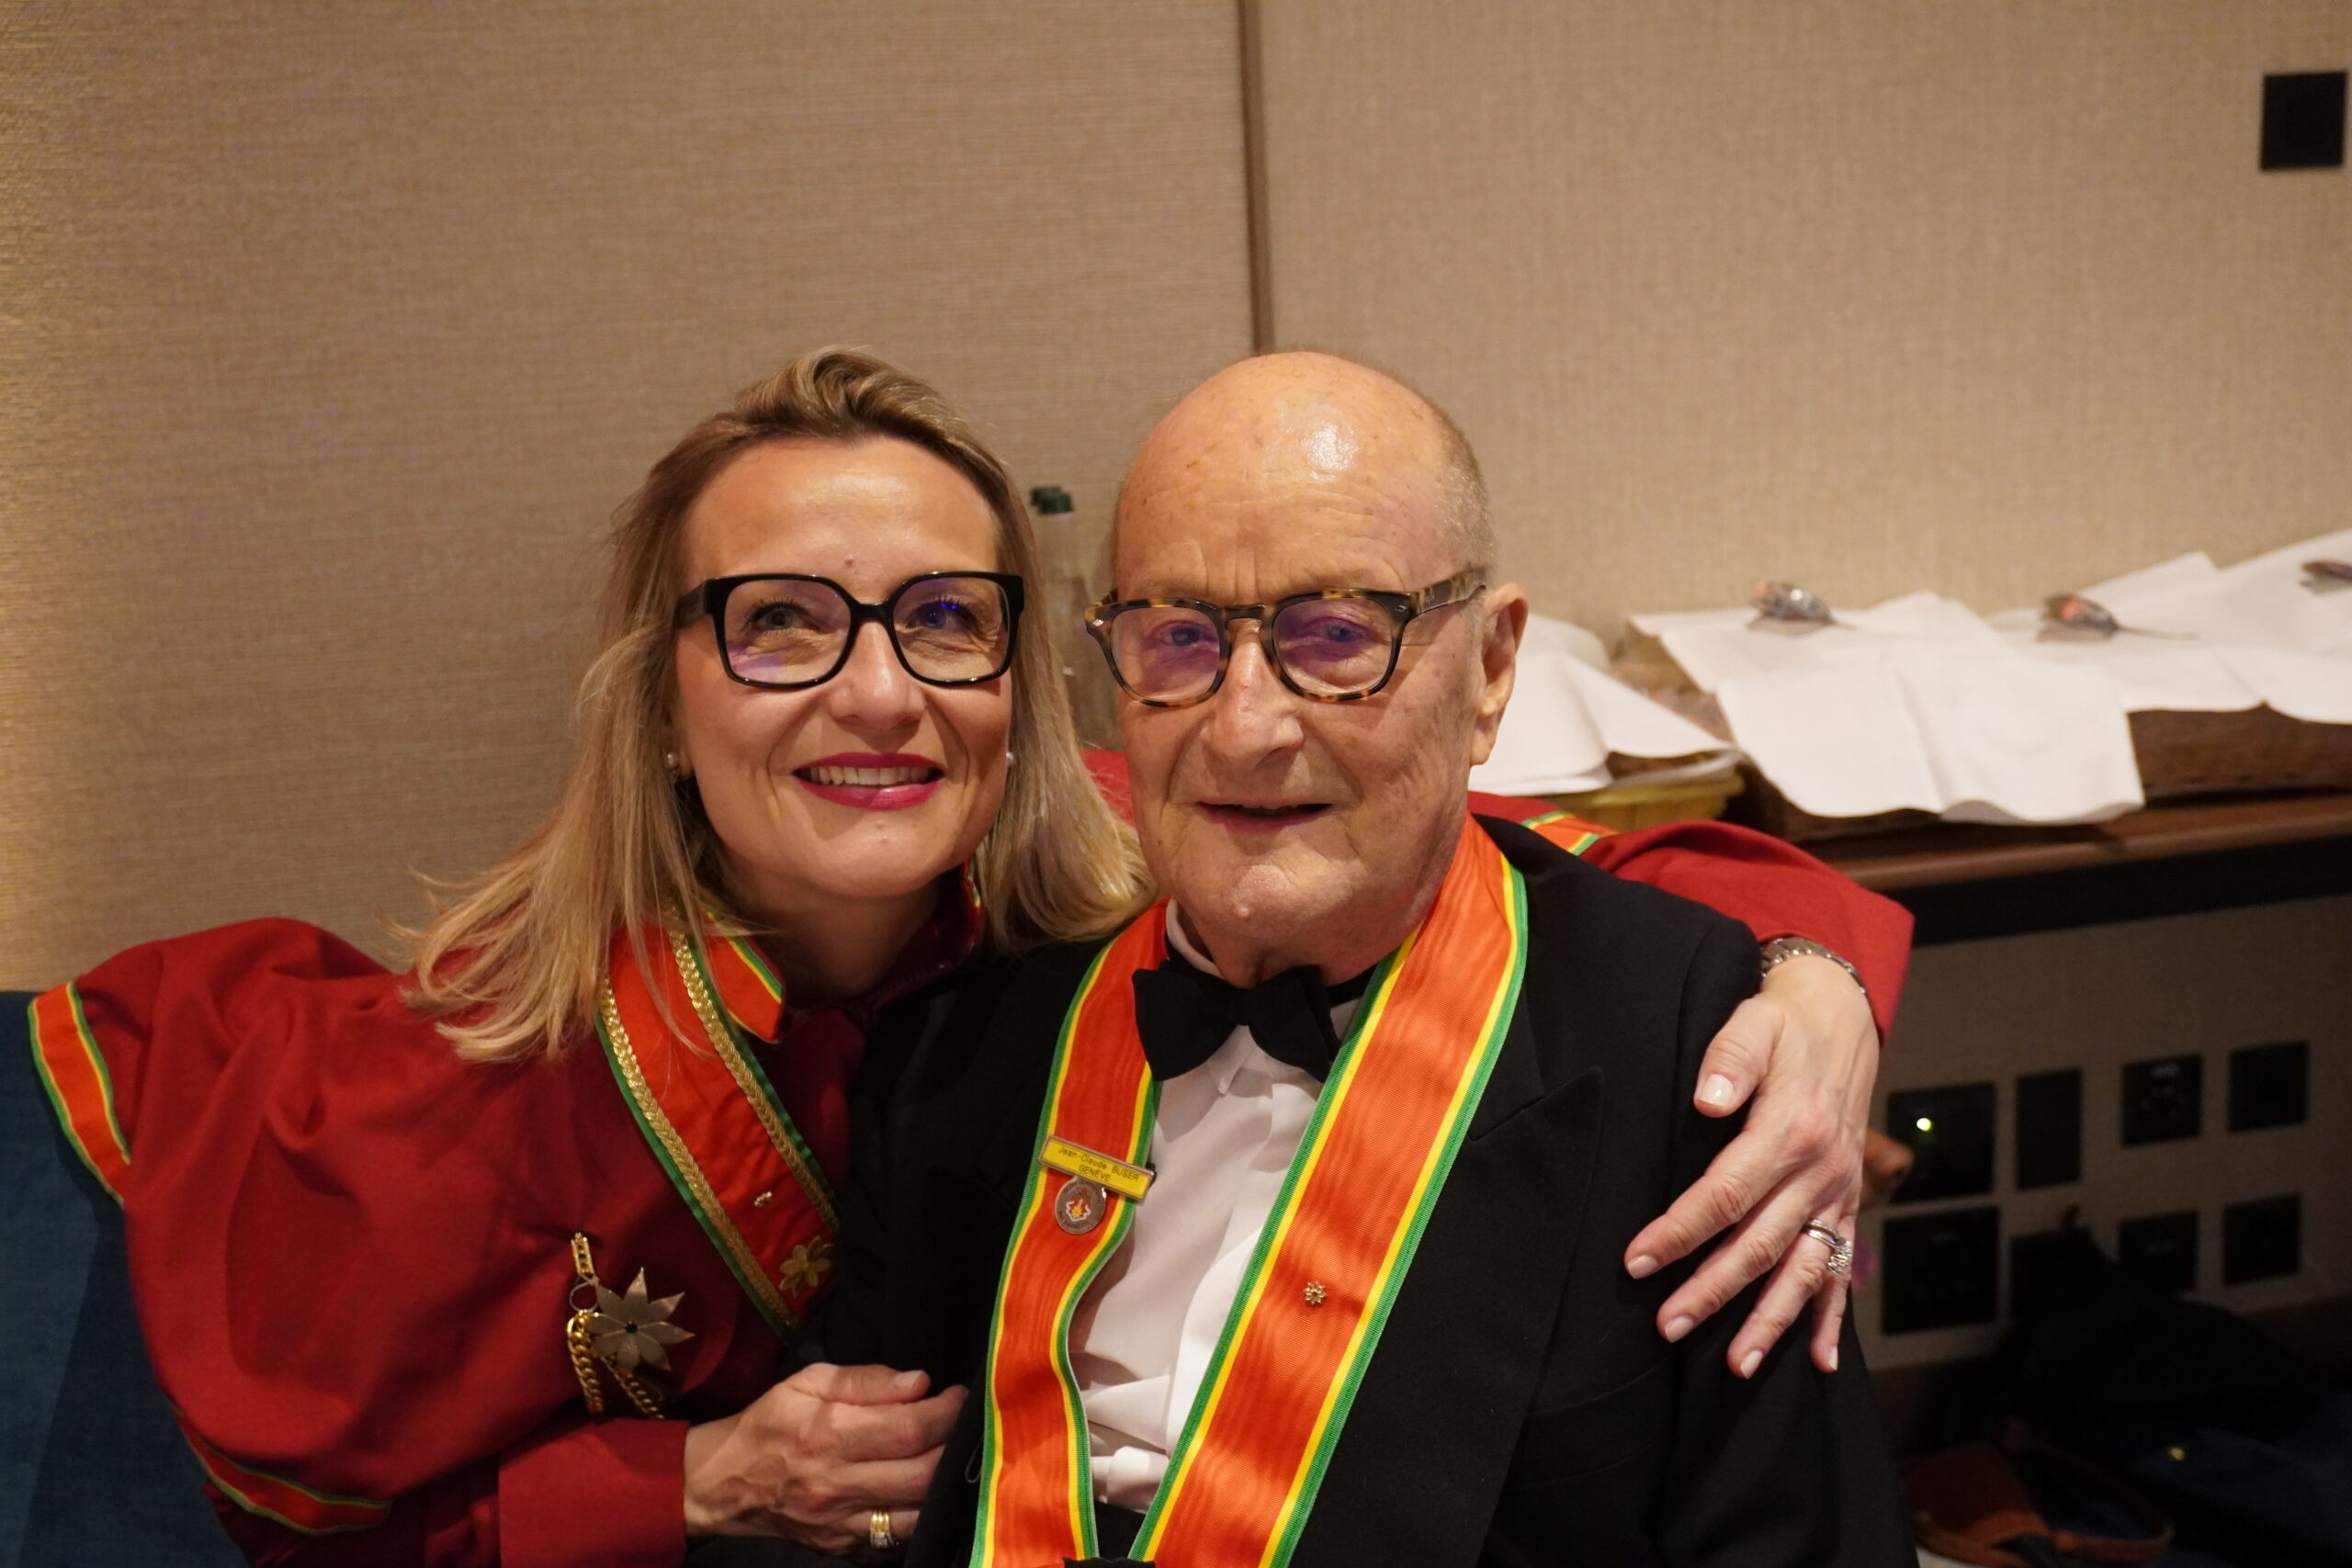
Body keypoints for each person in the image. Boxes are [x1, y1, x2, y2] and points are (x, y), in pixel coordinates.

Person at [6, 348, 1899, 1568]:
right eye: (779, 623)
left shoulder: (1101, 881)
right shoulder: (864, 1057)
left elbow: (1468, 845)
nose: (875, 697)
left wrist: (1806, 985)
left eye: (940, 620)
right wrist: (687, 1481)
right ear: (660, 701)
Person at [831, 352, 1915, 1564]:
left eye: (1338, 633)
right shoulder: (971, 1034)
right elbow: (845, 1515)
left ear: (1491, 669)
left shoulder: (1683, 1045)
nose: (1244, 727)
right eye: (1178, 635)